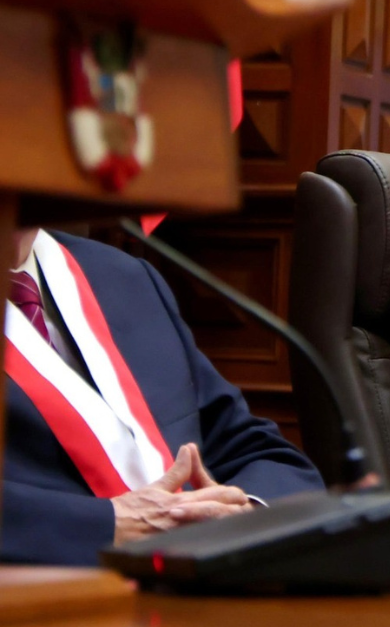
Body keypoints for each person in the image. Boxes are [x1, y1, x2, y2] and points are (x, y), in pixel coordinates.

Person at [4, 228, 324, 566]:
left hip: (200, 590)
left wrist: (241, 515)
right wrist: (108, 525)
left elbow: (258, 452)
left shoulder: (123, 277)